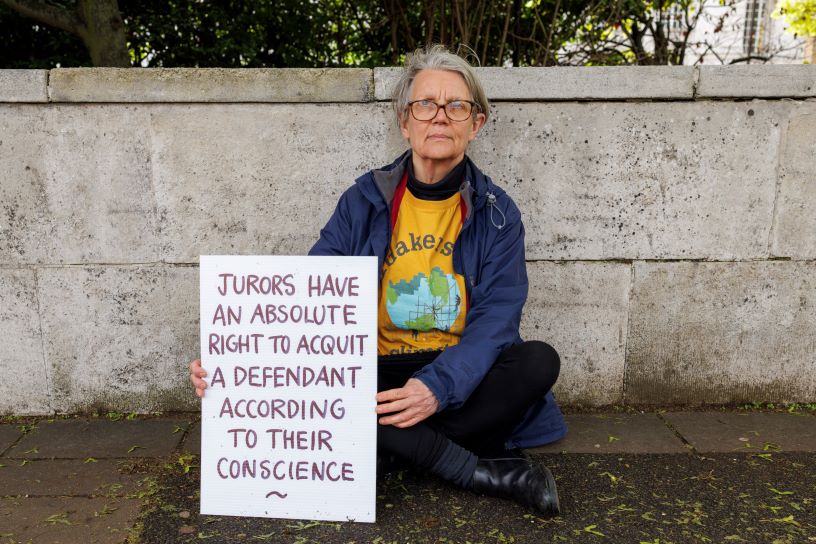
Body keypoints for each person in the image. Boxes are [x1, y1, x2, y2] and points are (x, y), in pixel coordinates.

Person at [190, 44, 565, 515]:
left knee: (537, 362)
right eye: (425, 105)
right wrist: (237, 357)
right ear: (404, 121)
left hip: (458, 376)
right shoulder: (363, 200)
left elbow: (497, 322)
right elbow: (308, 297)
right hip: (374, 373)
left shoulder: (498, 215)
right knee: (332, 393)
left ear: (476, 123)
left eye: (457, 106)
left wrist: (436, 387)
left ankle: (383, 449)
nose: (440, 118)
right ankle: (478, 469)